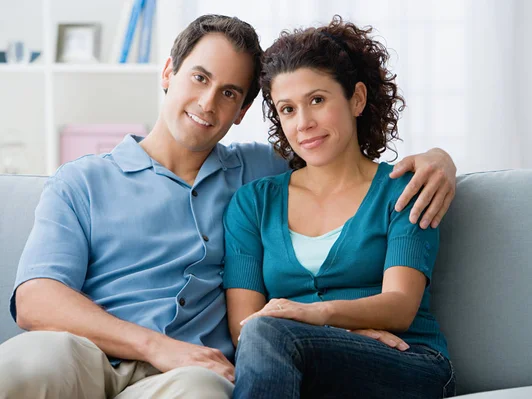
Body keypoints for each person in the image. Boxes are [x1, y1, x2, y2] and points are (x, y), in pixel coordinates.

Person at [0, 15, 456, 399]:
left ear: (242, 111)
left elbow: (336, 158)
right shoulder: (81, 181)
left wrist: (441, 160)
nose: (207, 102)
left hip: (188, 377)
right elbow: (35, 300)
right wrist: (155, 345)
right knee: (30, 360)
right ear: (167, 73)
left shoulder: (255, 173)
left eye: (230, 92)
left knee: (201, 393)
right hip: (89, 355)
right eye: (199, 77)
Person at [224, 16, 455, 398]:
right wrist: (332, 337)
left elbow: (400, 306)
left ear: (357, 99)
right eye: (287, 109)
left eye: (317, 100)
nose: (304, 123)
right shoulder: (253, 204)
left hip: (407, 359)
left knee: (270, 334)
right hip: (298, 361)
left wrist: (316, 317)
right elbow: (245, 327)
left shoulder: (405, 189)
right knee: (264, 335)